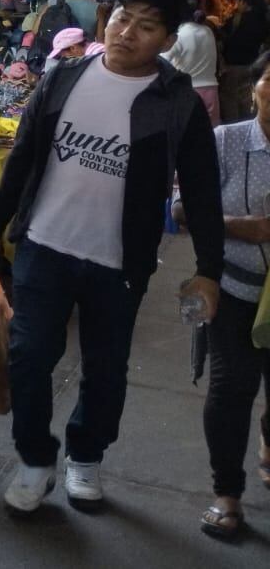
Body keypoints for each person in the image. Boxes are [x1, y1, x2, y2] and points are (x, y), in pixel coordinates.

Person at [0, 0, 225, 514]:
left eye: (146, 26)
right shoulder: (64, 77)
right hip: (44, 245)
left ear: (167, 39)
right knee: (29, 356)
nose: (127, 32)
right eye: (123, 18)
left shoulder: (176, 104)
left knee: (105, 367)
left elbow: (202, 191)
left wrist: (209, 268)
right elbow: (23, 157)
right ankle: (36, 459)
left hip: (119, 263)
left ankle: (86, 457)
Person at [181, 50, 270, 539]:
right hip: (235, 286)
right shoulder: (225, 142)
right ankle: (227, 494)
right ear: (253, 87)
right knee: (232, 389)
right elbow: (179, 209)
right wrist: (243, 228)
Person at [163, 0, 221, 126]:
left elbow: (163, 61)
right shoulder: (207, 31)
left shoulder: (179, 35)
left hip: (188, 90)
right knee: (212, 134)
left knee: (187, 135)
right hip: (211, 89)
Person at [219, 0, 268, 123]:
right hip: (252, 64)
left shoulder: (237, 19)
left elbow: (223, 36)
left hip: (233, 65)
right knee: (245, 96)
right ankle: (246, 123)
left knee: (229, 98)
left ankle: (234, 126)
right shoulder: (262, 19)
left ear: (244, 2)